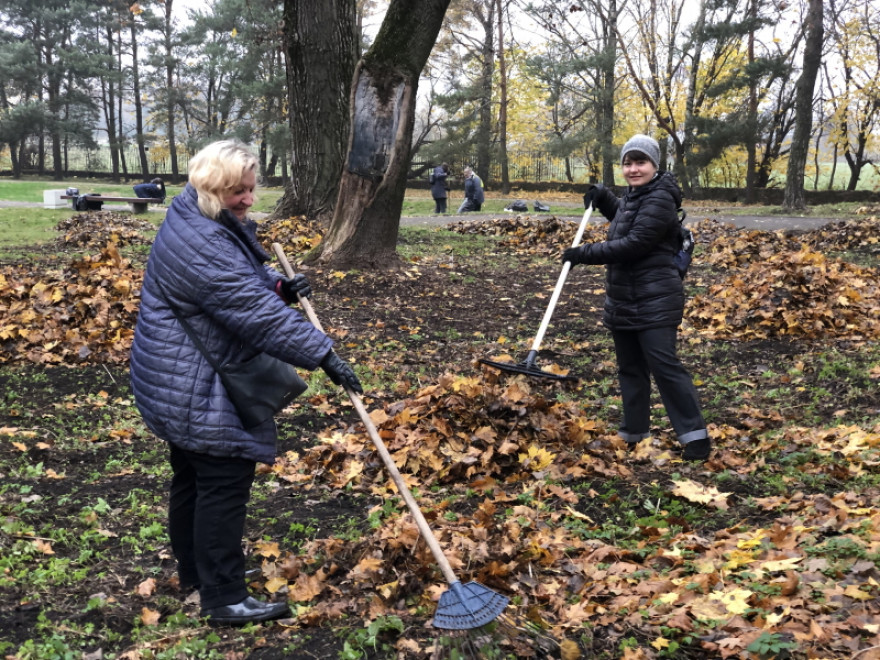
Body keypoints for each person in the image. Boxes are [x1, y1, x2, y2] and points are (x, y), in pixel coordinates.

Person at [129, 139, 363, 626]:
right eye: (239, 191)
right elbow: (250, 310)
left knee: (193, 479)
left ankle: (200, 576)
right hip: (195, 383)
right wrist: (324, 355)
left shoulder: (194, 214)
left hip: (176, 374)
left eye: (251, 190)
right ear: (213, 187)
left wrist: (278, 284)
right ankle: (223, 596)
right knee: (222, 480)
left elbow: (243, 278)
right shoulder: (203, 241)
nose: (249, 200)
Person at [562, 134, 710, 461]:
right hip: (625, 297)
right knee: (630, 368)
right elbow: (625, 220)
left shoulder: (660, 197)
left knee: (664, 365)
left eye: (640, 162)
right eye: (628, 163)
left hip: (656, 297)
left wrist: (582, 254)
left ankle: (696, 438)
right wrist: (604, 200)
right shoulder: (636, 195)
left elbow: (636, 242)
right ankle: (634, 432)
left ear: (655, 165)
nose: (633, 169)